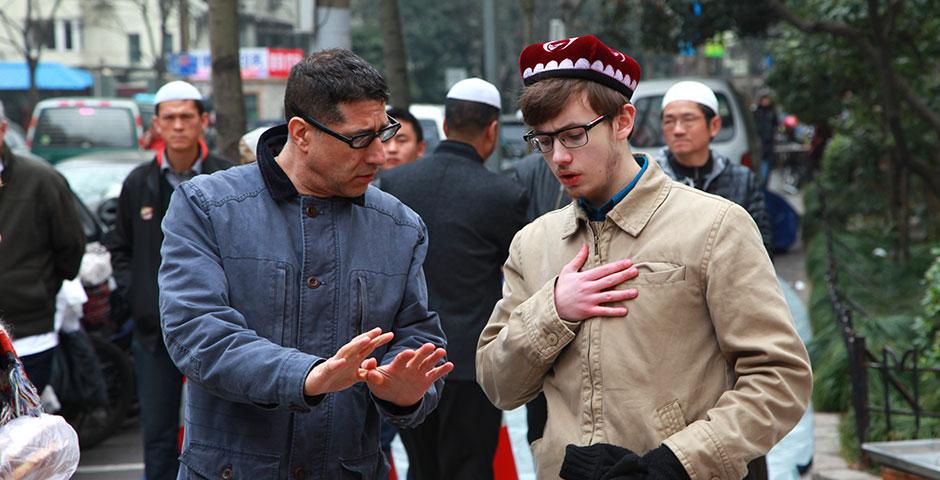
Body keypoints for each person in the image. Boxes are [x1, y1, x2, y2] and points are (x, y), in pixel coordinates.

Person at [476, 35, 813, 480]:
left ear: (623, 120)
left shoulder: (714, 226)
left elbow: (780, 378)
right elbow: (498, 384)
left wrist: (679, 462)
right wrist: (553, 311)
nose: (558, 157)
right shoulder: (533, 243)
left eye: (574, 135)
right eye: (543, 140)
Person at [158, 49, 453, 479]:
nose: (378, 155)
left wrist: (405, 391)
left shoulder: (400, 226)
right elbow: (196, 331)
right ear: (300, 133)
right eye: (358, 139)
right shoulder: (207, 205)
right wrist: (308, 376)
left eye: (382, 132)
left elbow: (416, 334)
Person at [381, 78, 529, 480]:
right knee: (470, 468)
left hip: (407, 358)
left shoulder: (396, 185)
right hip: (471, 361)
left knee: (421, 467)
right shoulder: (503, 193)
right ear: (493, 131)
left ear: (445, 126)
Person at [105, 80, 234, 480]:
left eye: (186, 117)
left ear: (203, 121)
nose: (178, 126)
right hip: (153, 333)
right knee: (158, 436)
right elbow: (120, 248)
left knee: (225, 434)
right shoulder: (138, 183)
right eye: (170, 118)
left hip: (219, 330)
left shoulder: (229, 177)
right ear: (156, 125)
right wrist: (140, 297)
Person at [0, 99, 85, 395]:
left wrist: (39, 289)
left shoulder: (41, 179)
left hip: (28, 333)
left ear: (2, 131)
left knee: (22, 435)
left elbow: (71, 248)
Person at [654, 81, 773, 255]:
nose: (678, 130)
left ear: (714, 125)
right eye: (669, 121)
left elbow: (761, 245)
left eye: (688, 120)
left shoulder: (741, 180)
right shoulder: (651, 180)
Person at [752, 91, 778, 182]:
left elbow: (775, 124)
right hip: (760, 142)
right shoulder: (757, 112)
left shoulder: (772, 112)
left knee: (767, 163)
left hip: (769, 141)